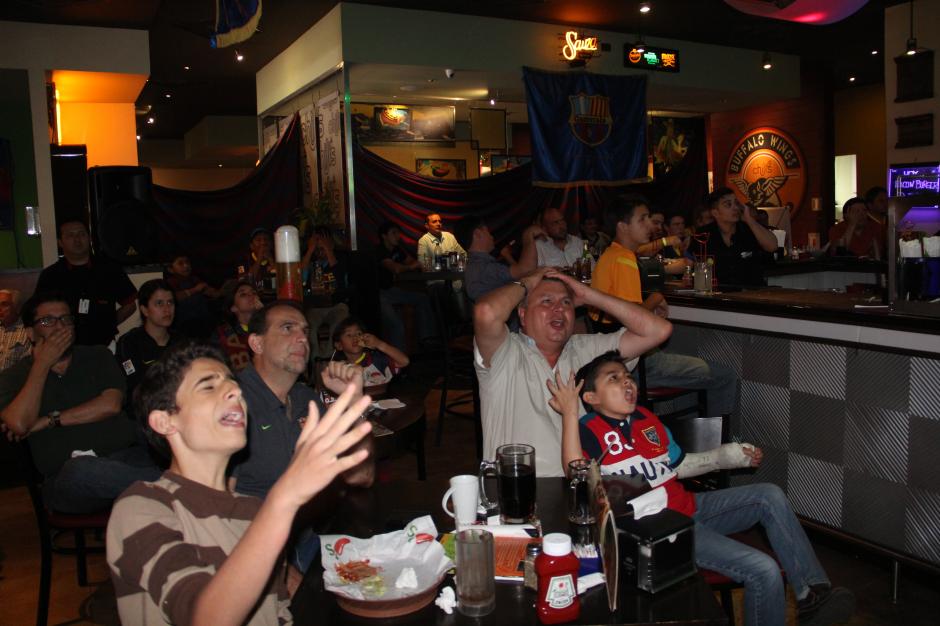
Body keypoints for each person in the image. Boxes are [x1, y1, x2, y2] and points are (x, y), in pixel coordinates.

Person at [548, 351, 855, 626]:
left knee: (769, 495)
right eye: (614, 379)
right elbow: (577, 476)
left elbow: (680, 466)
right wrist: (570, 415)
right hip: (663, 531)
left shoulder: (647, 419)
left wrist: (726, 457)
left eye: (628, 377)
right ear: (591, 397)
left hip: (691, 506)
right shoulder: (588, 430)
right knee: (763, 569)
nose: (627, 383)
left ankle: (812, 595)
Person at [106, 341, 372, 626]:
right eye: (208, 386)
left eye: (232, 383)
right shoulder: (142, 506)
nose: (235, 392)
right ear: (165, 421)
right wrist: (284, 497)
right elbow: (204, 619)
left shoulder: (253, 512)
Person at [472, 266, 671, 477]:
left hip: (585, 486)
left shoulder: (586, 350)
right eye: (546, 301)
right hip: (518, 489)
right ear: (522, 314)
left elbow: (658, 330)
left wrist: (589, 295)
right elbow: (486, 312)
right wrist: (528, 282)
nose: (559, 309)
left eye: (566, 302)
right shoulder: (505, 352)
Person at [0, 293, 159, 513]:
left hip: (125, 458)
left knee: (161, 437)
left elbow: (111, 404)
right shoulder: (14, 376)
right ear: (30, 332)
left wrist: (49, 420)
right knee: (82, 470)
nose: (60, 327)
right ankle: (177, 484)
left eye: (66, 319)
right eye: (48, 321)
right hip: (67, 478)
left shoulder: (97, 356)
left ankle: (171, 483)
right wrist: (42, 365)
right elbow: (18, 424)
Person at [591, 194, 736, 417]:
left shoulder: (612, 254)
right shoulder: (624, 260)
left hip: (612, 358)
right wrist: (657, 298)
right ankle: (717, 447)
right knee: (724, 375)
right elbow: (635, 319)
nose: (649, 224)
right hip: (637, 363)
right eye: (643, 219)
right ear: (623, 226)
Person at [35, 220, 137, 346]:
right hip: (63, 345)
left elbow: (130, 305)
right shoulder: (50, 275)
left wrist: (108, 325)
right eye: (70, 235)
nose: (77, 239)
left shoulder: (109, 269)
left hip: (102, 345)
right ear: (60, 242)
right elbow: (38, 312)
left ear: (89, 238)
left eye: (82, 234)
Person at [115, 279, 180, 412]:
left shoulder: (181, 342)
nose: (167, 309)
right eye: (159, 303)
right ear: (144, 310)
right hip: (141, 414)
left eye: (170, 302)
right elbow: (135, 384)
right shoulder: (129, 342)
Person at [697, 187, 777, 288]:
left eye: (736, 203)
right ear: (715, 213)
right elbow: (689, 262)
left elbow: (772, 246)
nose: (735, 208)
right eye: (728, 204)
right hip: (719, 296)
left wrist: (749, 220)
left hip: (753, 294)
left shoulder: (749, 228)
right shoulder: (704, 234)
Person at [376, 221, 437, 352]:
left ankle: (427, 339)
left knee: (422, 298)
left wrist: (415, 265)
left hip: (392, 291)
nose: (398, 236)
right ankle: (398, 363)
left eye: (398, 233)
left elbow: (413, 262)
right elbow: (395, 269)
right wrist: (411, 267)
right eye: (394, 233)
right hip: (378, 294)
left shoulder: (397, 249)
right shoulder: (380, 251)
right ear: (384, 236)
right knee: (397, 325)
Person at [459, 217, 542, 301]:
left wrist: (507, 256)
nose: (491, 237)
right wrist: (528, 235)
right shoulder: (482, 266)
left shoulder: (475, 265)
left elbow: (519, 275)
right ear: (478, 234)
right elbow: (526, 270)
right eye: (488, 232)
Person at [301, 227, 350, 362]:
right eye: (316, 243)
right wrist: (311, 250)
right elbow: (300, 280)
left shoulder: (340, 259)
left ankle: (329, 358)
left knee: (341, 319)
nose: (319, 247)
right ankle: (316, 361)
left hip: (336, 305)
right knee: (308, 324)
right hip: (315, 307)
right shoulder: (309, 260)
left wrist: (328, 250)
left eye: (323, 242)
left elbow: (341, 281)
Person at [331, 317, 408, 389]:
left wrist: (379, 344)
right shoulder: (339, 368)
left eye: (359, 333)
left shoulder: (376, 360)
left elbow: (404, 361)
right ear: (339, 345)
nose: (355, 337)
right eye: (349, 335)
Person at [165, 253, 219, 339]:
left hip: (205, 324)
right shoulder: (170, 283)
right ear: (170, 269)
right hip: (184, 328)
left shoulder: (195, 279)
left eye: (187, 262)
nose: (186, 266)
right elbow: (172, 298)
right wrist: (195, 290)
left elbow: (213, 293)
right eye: (180, 263)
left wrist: (212, 292)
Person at [213, 279, 262, 373]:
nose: (251, 295)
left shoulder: (266, 326)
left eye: (254, 292)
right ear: (233, 307)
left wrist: (264, 315)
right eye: (243, 294)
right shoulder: (223, 333)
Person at [0, 288, 31, 372]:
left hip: (11, 382)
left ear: (17, 307)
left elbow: (26, 367)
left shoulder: (27, 333)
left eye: (4, 304)